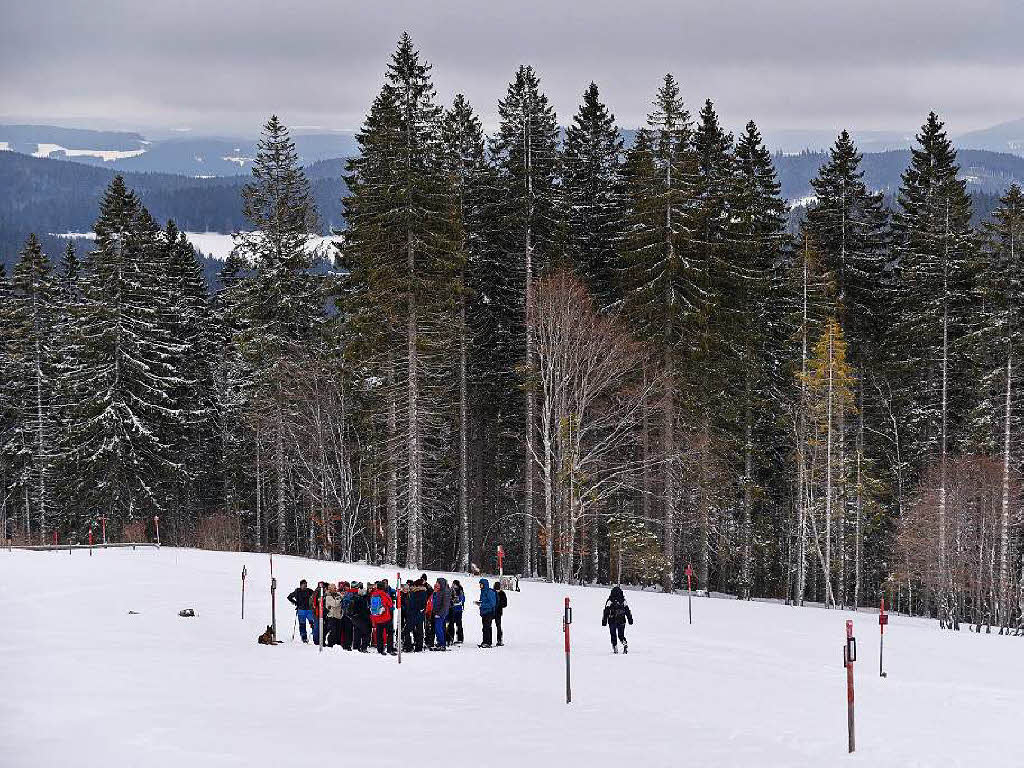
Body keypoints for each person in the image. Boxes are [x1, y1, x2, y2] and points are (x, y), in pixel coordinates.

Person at [601, 585, 634, 654]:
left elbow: (606, 611)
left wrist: (604, 621)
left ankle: (615, 648)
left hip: (612, 620)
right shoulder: (623, 600)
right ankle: (624, 643)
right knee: (621, 635)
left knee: (613, 635)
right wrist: (630, 619)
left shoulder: (610, 600)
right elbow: (627, 610)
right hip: (622, 621)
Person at [369, 580, 396, 655]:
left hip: (376, 617)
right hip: (385, 617)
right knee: (390, 632)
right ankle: (389, 649)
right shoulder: (384, 594)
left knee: (379, 633)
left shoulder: (373, 594)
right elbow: (391, 605)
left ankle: (380, 649)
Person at [287, 579, 315, 644]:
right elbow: (289, 597)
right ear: (300, 585)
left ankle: (315, 636)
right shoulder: (297, 591)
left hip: (309, 610)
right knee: (302, 625)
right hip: (301, 611)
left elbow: (315, 596)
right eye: (304, 584)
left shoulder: (309, 591)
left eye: (306, 584)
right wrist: (295, 603)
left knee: (313, 623)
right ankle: (304, 638)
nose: (305, 586)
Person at [348, 584, 372, 652]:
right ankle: (364, 648)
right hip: (362, 618)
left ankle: (356, 647)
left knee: (357, 632)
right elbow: (364, 610)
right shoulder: (363, 600)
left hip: (354, 619)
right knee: (366, 632)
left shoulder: (354, 598)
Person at [431, 578, 451, 651]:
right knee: (440, 628)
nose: (436, 584)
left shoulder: (445, 592)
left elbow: (445, 605)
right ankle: (441, 642)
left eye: (438, 583)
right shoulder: (438, 591)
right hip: (436, 612)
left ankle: (442, 644)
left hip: (440, 614)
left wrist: (439, 614)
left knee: (438, 628)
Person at [476, 578, 497, 648]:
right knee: (485, 628)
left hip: (489, 612)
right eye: (480, 584)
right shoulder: (483, 592)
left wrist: (482, 605)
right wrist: (479, 603)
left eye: (481, 584)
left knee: (487, 627)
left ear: (484, 585)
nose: (480, 586)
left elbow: (492, 604)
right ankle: (485, 641)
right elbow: (484, 601)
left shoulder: (489, 592)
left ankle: (487, 642)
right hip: (484, 613)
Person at [446, 580, 465, 645]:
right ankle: (450, 638)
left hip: (458, 610)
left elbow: (461, 600)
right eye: (453, 584)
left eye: (454, 584)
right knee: (451, 624)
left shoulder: (460, 591)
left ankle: (460, 638)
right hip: (452, 609)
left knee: (459, 624)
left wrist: (455, 601)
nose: (453, 585)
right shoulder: (451, 590)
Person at [493, 580, 508, 646]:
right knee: (488, 626)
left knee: (498, 626)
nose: (497, 591)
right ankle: (488, 640)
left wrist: (498, 604)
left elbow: (505, 604)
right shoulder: (492, 592)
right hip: (491, 611)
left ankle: (499, 640)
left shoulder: (502, 593)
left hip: (498, 612)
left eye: (498, 589)